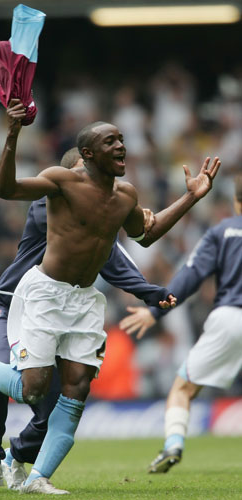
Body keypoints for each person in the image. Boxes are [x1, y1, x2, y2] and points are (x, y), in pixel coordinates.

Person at [0, 98, 220, 494]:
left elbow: (143, 236)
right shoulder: (60, 189)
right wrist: (14, 132)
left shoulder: (124, 196)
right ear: (85, 156)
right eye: (110, 142)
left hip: (83, 301)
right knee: (27, 387)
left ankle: (34, 475)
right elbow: (6, 188)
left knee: (76, 392)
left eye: (121, 140)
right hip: (36, 297)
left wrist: (191, 197)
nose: (121, 146)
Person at [120, 173, 242, 474]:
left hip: (232, 317)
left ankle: (173, 444)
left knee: (183, 388)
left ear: (236, 202)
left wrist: (155, 311)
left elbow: (190, 276)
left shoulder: (222, 232)